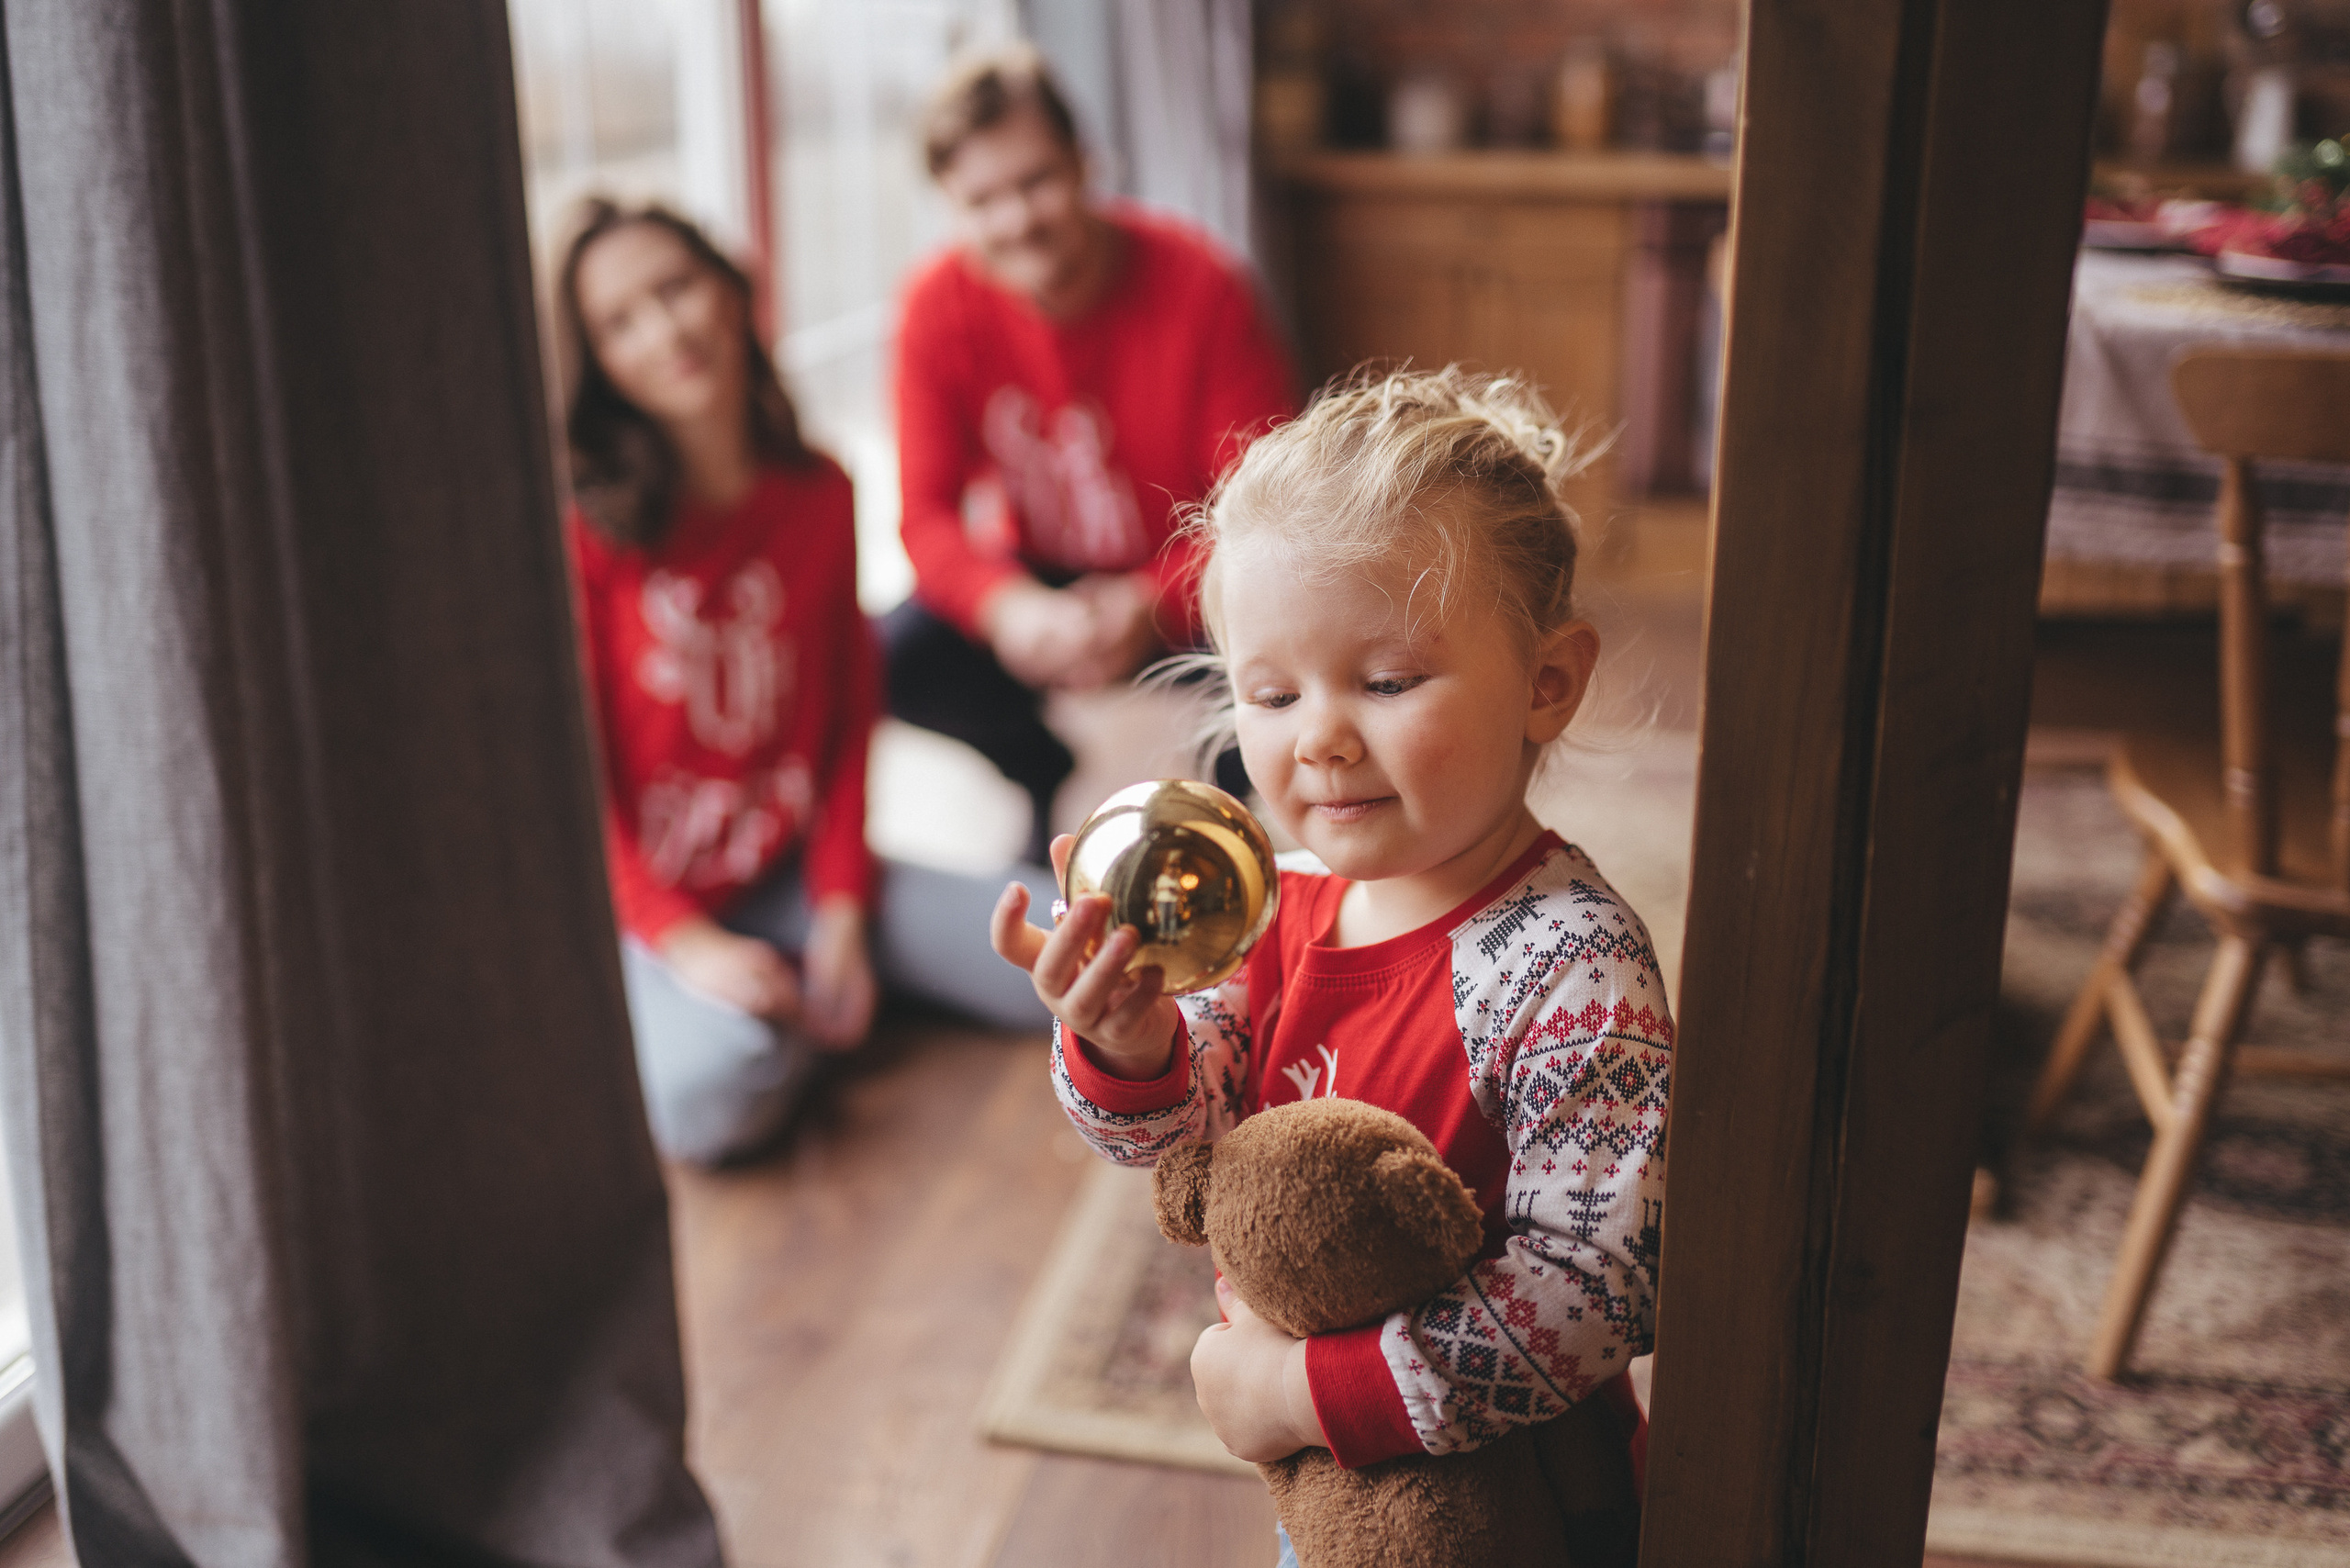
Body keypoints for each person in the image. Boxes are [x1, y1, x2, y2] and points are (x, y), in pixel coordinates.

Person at [990, 368, 1669, 1565]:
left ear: (1547, 683)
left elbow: (1597, 1289)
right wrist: (1130, 1045)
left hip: (1528, 1518)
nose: (1321, 736)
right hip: (1339, 1499)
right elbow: (1183, 1142)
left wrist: (1302, 1397)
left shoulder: (1570, 966)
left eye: (1388, 681)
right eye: (1272, 691)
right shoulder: (1281, 906)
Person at [557, 200, 1055, 1166]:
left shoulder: (820, 493)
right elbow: (574, 791)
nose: (667, 329)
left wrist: (837, 914)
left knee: (1061, 945)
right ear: (597, 364)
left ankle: (819, 984)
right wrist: (690, 944)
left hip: (789, 879)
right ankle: (782, 1005)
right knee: (712, 1097)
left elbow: (844, 729)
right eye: (620, 321)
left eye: (676, 287)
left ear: (730, 288)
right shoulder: (586, 533)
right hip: (645, 907)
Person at [888, 45, 1294, 861]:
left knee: (1292, 647)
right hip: (1041, 578)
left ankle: (1214, 820)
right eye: (983, 199)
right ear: (949, 205)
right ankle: (1043, 771)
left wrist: (1148, 602)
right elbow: (925, 519)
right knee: (888, 660)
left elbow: (1268, 514)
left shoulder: (1202, 285)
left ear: (1085, 162)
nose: (1018, 220)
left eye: (1036, 181)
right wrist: (1008, 607)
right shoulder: (935, 307)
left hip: (1193, 573)